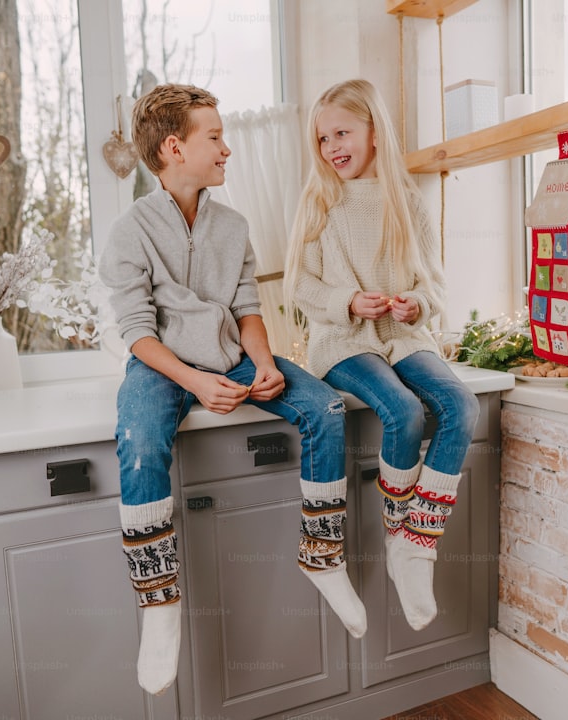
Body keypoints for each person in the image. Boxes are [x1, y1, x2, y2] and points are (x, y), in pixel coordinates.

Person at [99, 84, 366, 696]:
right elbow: (137, 333)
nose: (227, 149)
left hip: (233, 358)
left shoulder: (233, 224)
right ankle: (158, 605)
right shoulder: (129, 230)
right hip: (162, 368)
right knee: (140, 442)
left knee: (323, 405)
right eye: (214, 137)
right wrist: (194, 381)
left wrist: (265, 364)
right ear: (174, 148)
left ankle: (322, 557)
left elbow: (248, 307)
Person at [283, 78, 480, 632]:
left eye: (342, 132)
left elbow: (435, 285)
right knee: (404, 411)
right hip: (343, 343)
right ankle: (402, 537)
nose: (331, 147)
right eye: (322, 139)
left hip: (403, 338)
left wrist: (416, 303)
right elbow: (299, 286)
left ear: (374, 132)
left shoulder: (408, 202)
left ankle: (416, 544)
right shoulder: (319, 202)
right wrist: (347, 300)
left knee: (462, 407)